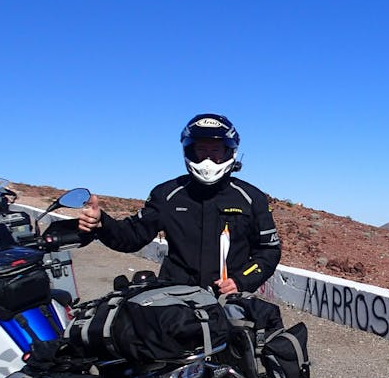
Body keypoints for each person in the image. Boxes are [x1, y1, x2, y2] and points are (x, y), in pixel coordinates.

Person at [78, 113, 281, 296]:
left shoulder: (251, 198)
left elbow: (269, 250)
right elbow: (132, 236)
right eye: (201, 149)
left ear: (229, 151)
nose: (208, 157)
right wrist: (102, 223)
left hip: (228, 300)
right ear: (189, 150)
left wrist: (242, 280)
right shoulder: (167, 194)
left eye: (215, 149)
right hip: (174, 300)